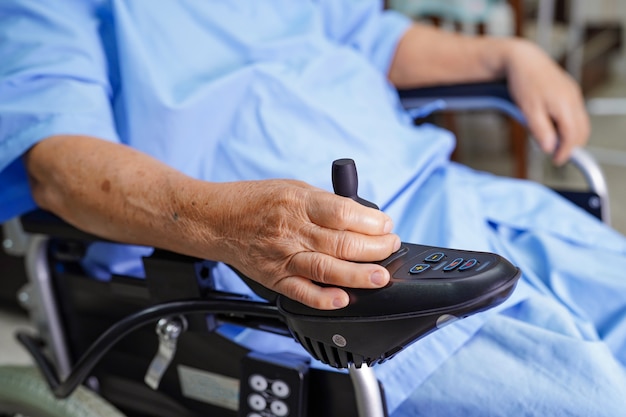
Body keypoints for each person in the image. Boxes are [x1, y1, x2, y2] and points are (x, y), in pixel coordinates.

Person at [1, 1, 625, 415]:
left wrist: (506, 56)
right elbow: (54, 159)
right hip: (295, 278)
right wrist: (218, 221)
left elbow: (365, 35)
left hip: (454, 192)